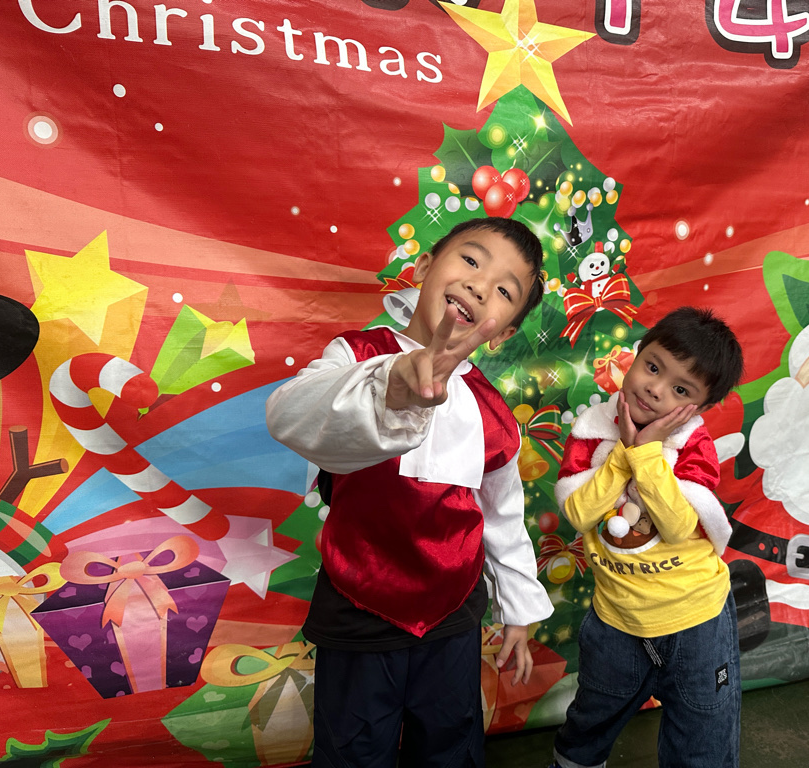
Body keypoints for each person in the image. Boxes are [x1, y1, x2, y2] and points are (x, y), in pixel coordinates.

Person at [265, 217, 554, 768]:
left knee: (449, 745)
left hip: (453, 614)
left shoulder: (493, 414)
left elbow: (502, 517)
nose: (479, 286)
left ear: (502, 333)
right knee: (353, 751)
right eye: (471, 261)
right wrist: (390, 385)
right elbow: (290, 414)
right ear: (423, 267)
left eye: (503, 290)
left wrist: (519, 609)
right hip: (358, 601)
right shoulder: (355, 355)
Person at [549, 306, 745, 768]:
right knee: (590, 722)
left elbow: (676, 527)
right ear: (636, 356)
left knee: (701, 738)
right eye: (653, 368)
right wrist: (624, 452)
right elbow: (579, 513)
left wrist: (648, 451)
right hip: (617, 619)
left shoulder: (693, 445)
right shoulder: (592, 429)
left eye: (681, 390)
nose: (656, 389)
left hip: (696, 619)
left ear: (699, 408)